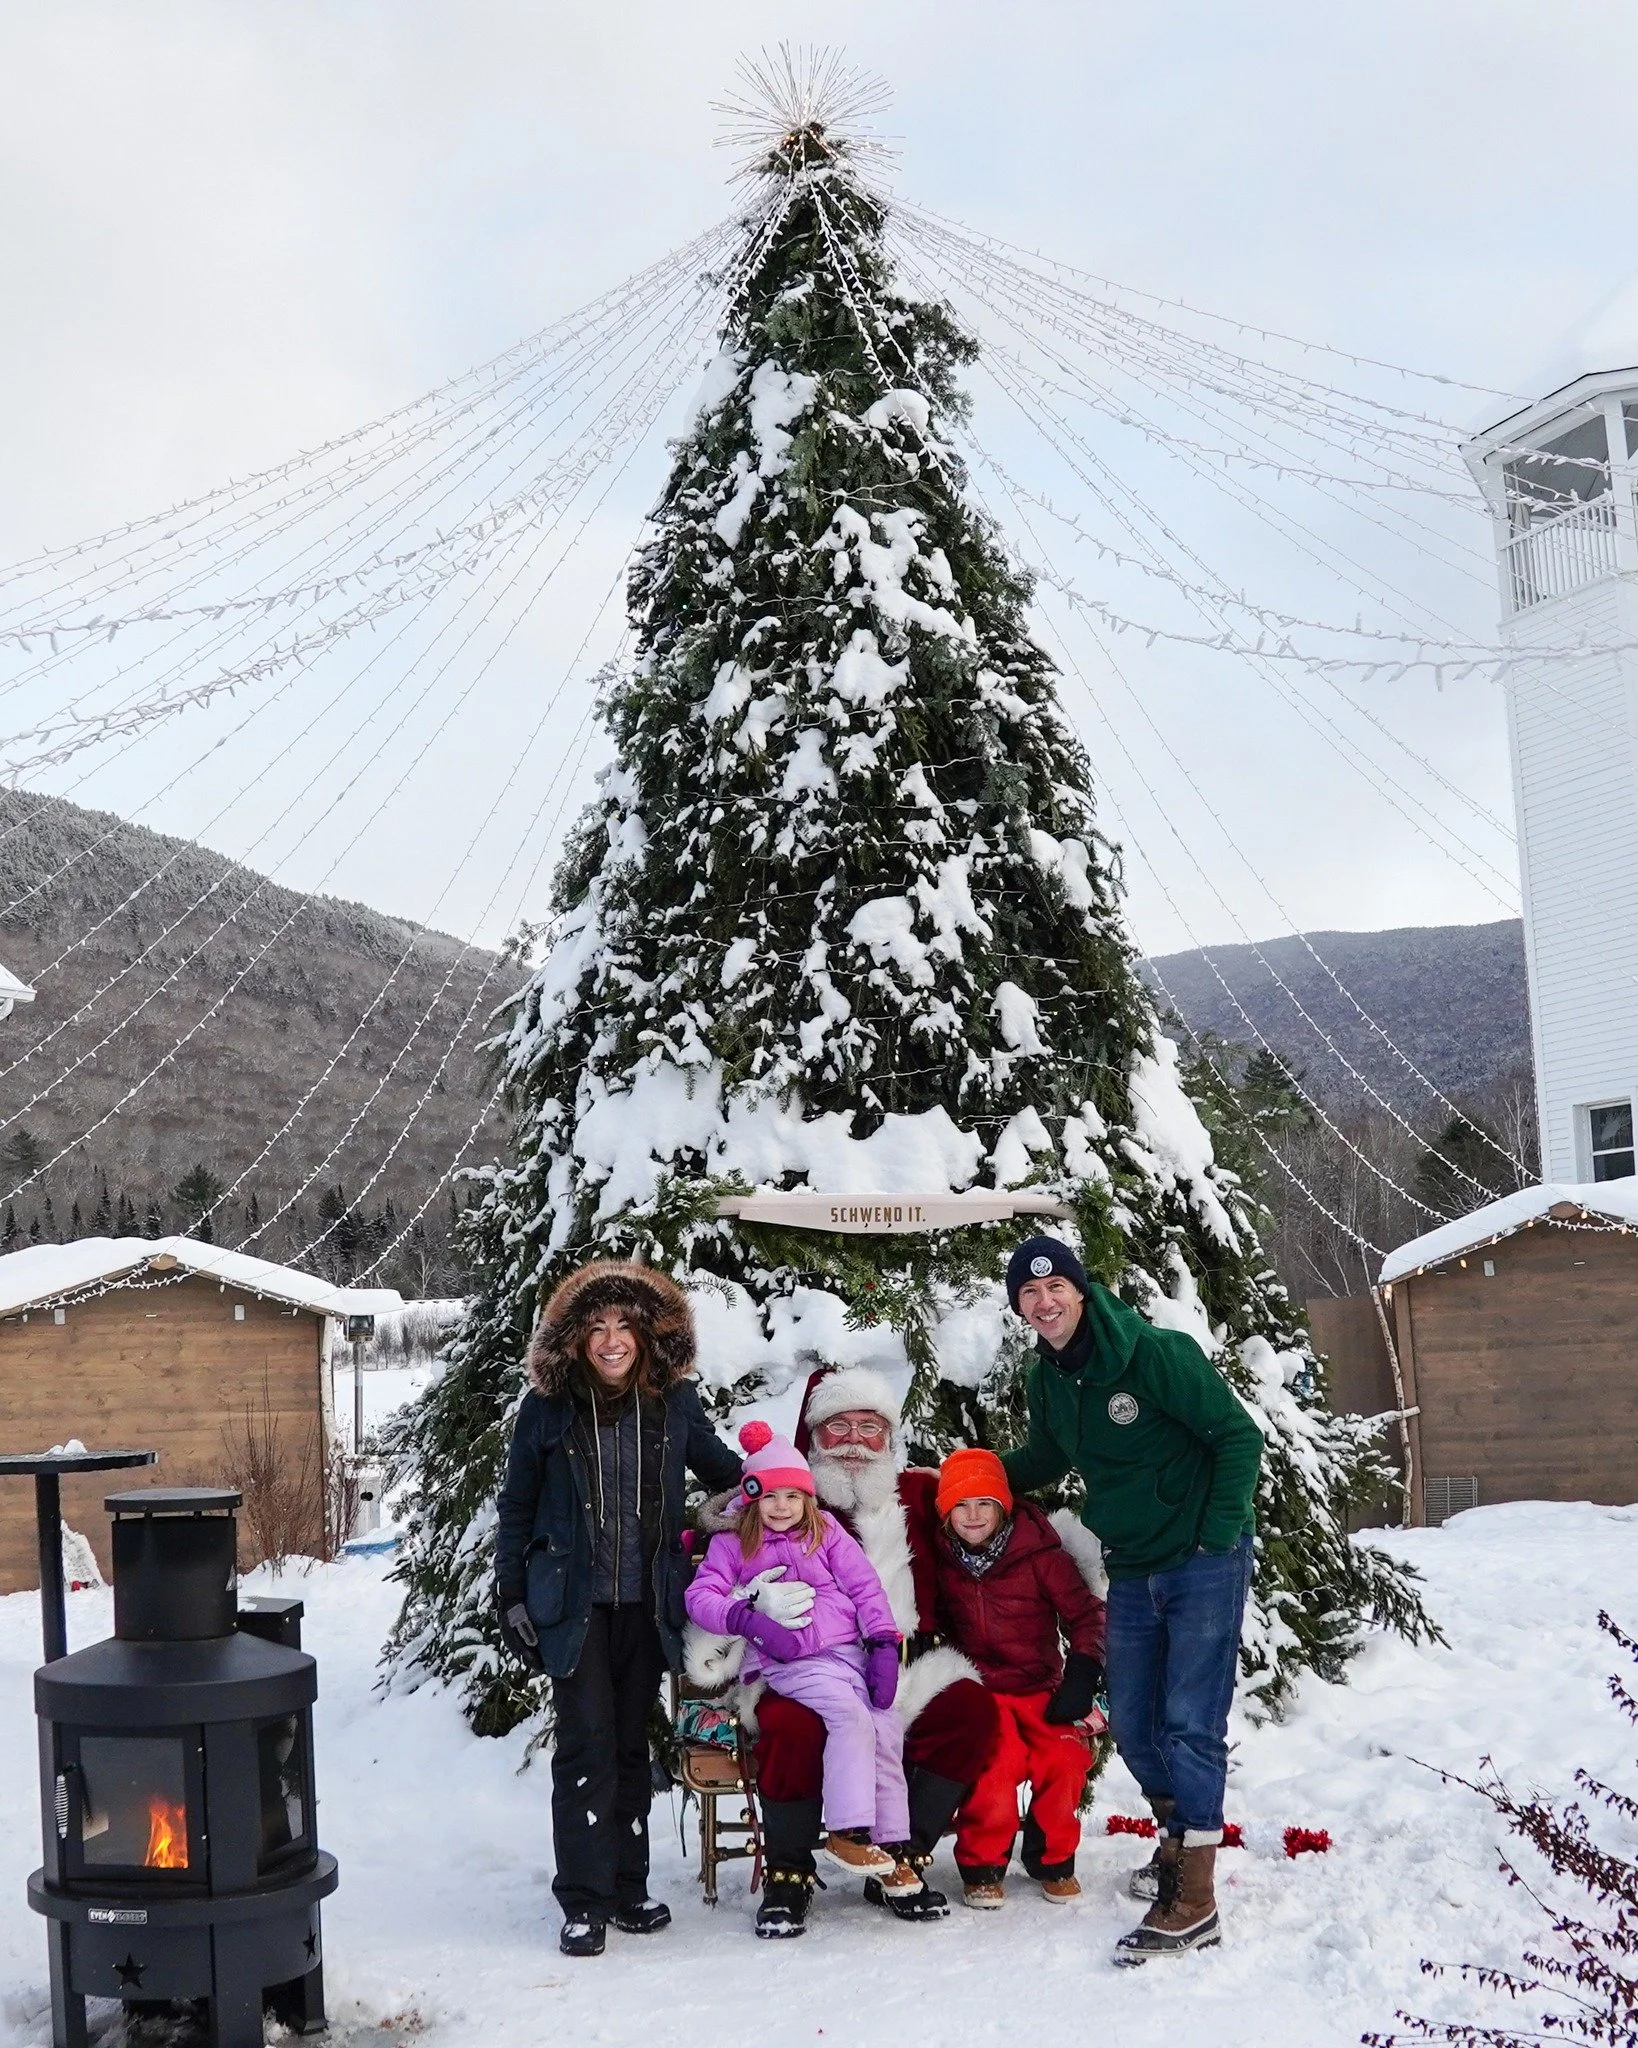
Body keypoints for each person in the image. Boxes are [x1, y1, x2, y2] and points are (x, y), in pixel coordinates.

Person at [1000, 1235, 1264, 1966]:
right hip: (1133, 1562)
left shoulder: (1157, 1355)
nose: (1044, 1303)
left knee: (1189, 1723)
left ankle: (1195, 1900)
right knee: (1139, 1727)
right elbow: (1048, 1456)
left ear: (1081, 1291)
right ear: (1020, 1307)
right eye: (1028, 1294)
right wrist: (977, 1474)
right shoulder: (1047, 1377)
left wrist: (1215, 1536)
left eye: (1055, 1289)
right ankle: (1177, 1846)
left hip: (1202, 1560)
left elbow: (1238, 1438)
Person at [684, 1365, 1001, 1937]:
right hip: (789, 1668)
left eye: (871, 1427)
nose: (855, 1440)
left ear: (890, 1439)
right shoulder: (766, 1510)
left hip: (888, 1664)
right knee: (794, 1725)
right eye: (838, 1426)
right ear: (813, 1435)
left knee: (969, 1712)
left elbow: (987, 1510)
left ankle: (899, 1858)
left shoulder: (919, 1497)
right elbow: (707, 1592)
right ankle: (789, 1874)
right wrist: (752, 1604)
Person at [494, 1259, 743, 1959]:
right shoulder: (547, 1410)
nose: (610, 1340)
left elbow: (731, 1475)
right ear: (576, 1338)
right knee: (585, 1748)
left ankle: (628, 1887)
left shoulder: (673, 1404)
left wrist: (781, 1497)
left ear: (645, 1336)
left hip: (646, 1604)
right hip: (572, 1607)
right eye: (597, 1327)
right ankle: (582, 1898)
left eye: (624, 1326)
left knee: (632, 1747)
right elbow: (515, 1507)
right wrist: (510, 1593)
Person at [684, 1422, 922, 1904]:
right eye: (771, 1497)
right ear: (752, 1497)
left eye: (793, 1496)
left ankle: (891, 1848)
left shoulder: (827, 1531)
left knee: (885, 1723)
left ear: (808, 1499)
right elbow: (700, 1597)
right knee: (851, 1718)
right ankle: (848, 1832)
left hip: (845, 1656)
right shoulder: (735, 1544)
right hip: (790, 1661)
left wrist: (880, 1642)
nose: (782, 1507)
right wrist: (747, 1615)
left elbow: (865, 1588)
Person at [930, 1447, 1107, 1910]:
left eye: (984, 1504)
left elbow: (1088, 1615)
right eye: (961, 1506)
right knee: (996, 1764)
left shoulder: (1040, 1555)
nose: (973, 1516)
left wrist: (1082, 1675)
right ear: (946, 1513)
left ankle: (1051, 1858)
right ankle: (982, 1863)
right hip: (981, 1689)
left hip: (1041, 1686)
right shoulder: (939, 1560)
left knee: (1064, 1760)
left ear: (1003, 1507)